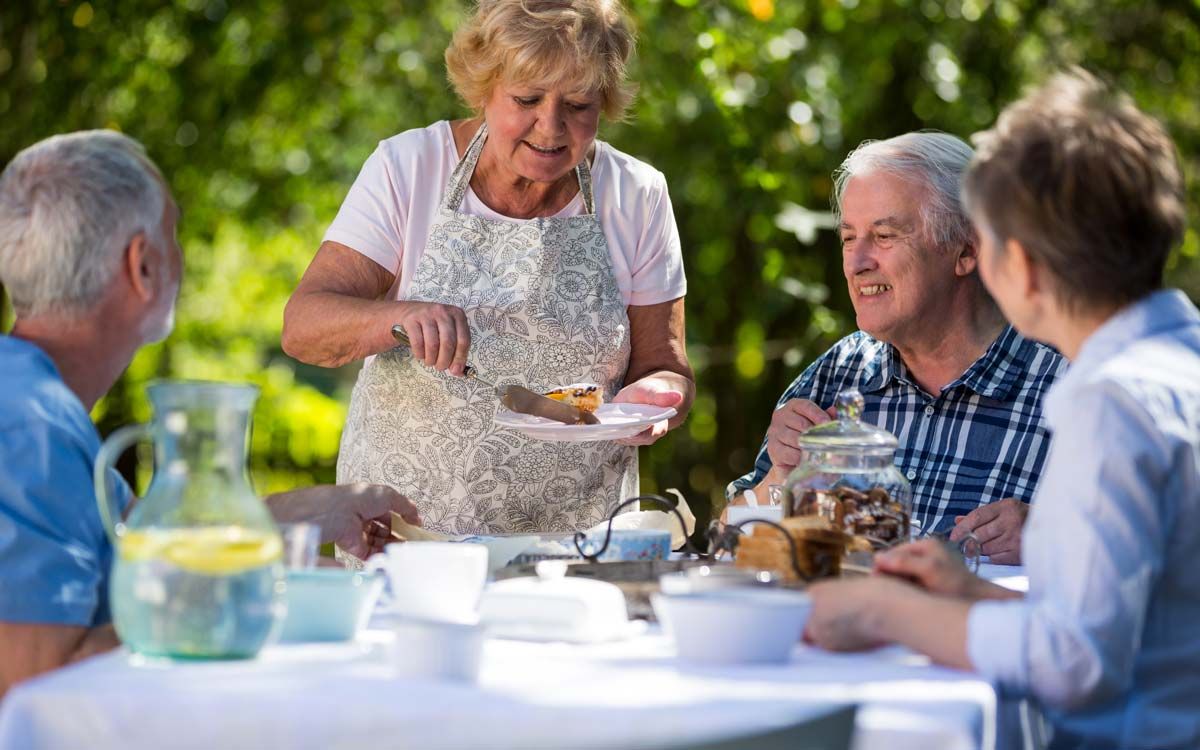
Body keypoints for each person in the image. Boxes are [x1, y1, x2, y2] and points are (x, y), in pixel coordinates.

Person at [804, 70, 1200, 749]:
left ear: (1020, 264)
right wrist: (970, 592)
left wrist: (882, 608)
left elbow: (1076, 664)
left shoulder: (1111, 403)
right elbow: (1121, 624)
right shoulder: (1178, 361)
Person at [0, 130, 422, 696]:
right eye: (173, 233)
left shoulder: (33, 401)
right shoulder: (29, 427)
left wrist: (294, 516)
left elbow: (143, 553)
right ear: (143, 266)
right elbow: (32, 680)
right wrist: (260, 587)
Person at [282, 0, 694, 537]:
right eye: (526, 99)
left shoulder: (636, 194)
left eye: (578, 105)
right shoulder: (409, 168)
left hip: (576, 542)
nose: (551, 127)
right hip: (413, 536)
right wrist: (400, 317)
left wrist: (659, 397)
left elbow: (666, 364)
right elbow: (304, 327)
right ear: (484, 89)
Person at [726, 132, 1066, 562]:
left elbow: (1159, 565)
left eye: (884, 235)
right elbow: (730, 544)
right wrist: (783, 475)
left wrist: (1051, 536)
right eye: (849, 238)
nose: (856, 262)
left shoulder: (1069, 385)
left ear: (966, 250)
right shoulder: (838, 374)